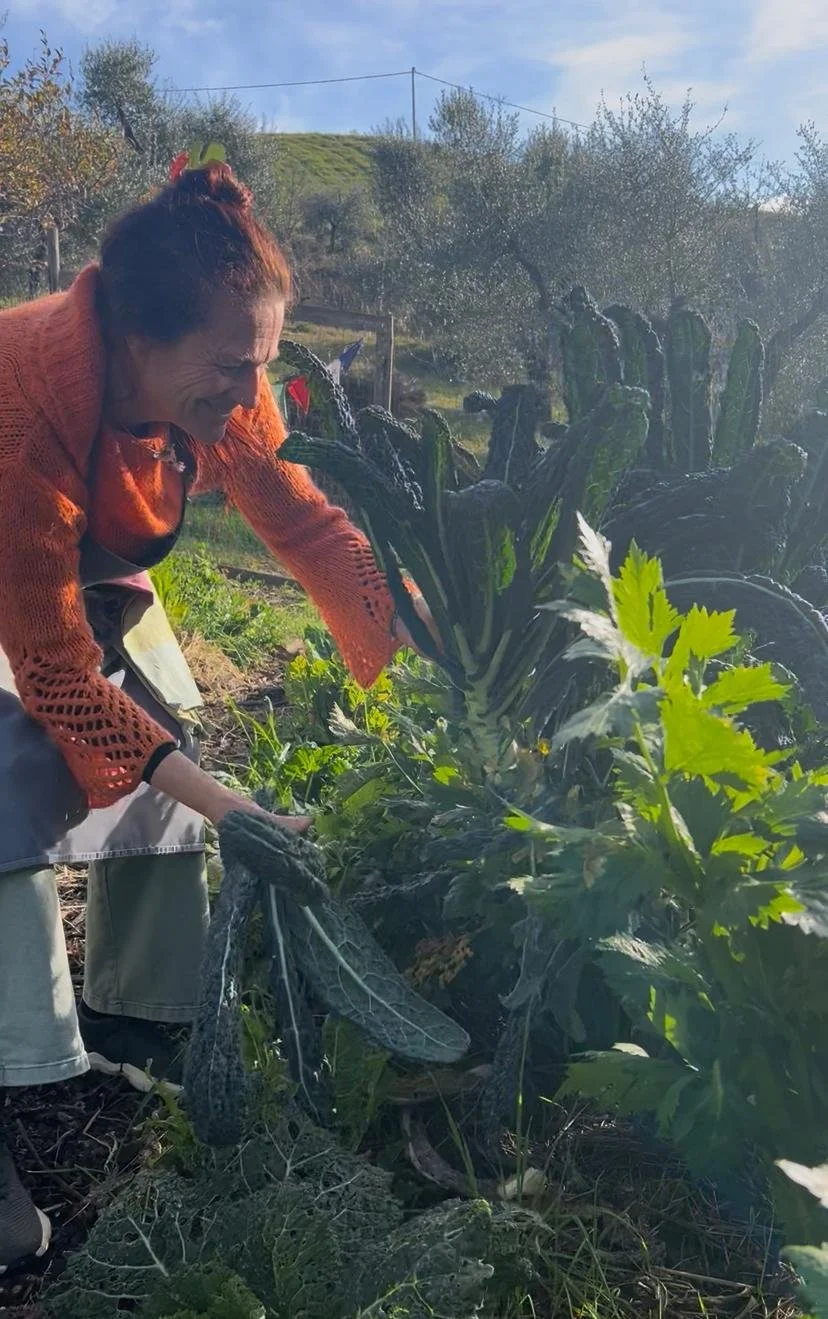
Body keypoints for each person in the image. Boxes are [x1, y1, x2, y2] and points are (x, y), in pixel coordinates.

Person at [0, 156, 424, 1271]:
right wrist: (227, 803)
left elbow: (319, 536)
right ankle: (14, 1066)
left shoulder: (218, 383)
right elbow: (49, 676)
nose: (251, 398)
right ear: (137, 337)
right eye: (235, 370)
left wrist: (426, 678)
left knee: (163, 721)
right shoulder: (22, 398)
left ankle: (134, 1014)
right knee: (11, 782)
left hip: (65, 576)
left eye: (265, 365)